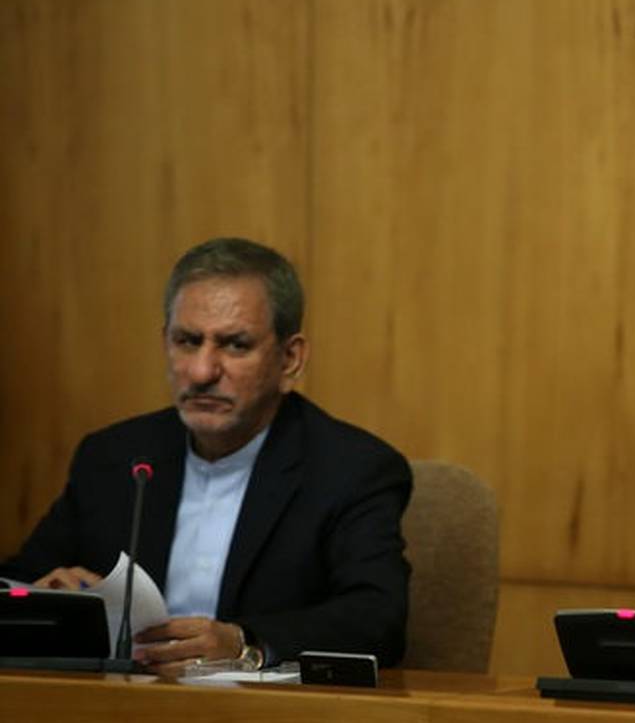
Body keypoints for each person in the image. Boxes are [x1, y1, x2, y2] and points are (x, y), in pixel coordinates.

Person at [1, 238, 411, 675]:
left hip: (263, 706)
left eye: (235, 345)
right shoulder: (114, 457)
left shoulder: (351, 469)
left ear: (290, 359)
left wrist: (244, 640)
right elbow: (17, 582)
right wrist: (44, 596)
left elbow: (377, 618)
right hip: (120, 702)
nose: (202, 371)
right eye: (187, 341)